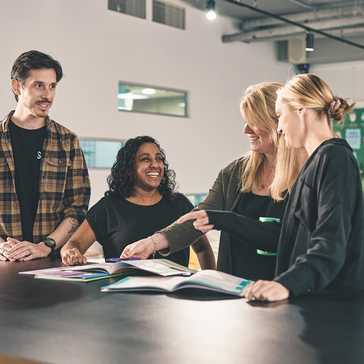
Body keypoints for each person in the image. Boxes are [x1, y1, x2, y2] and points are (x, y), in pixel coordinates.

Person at [121, 82, 300, 281]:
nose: (246, 130)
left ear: (279, 122)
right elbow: (200, 218)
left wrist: (225, 220)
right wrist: (152, 243)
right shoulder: (235, 173)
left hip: (284, 291)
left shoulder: (307, 174)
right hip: (234, 292)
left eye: (253, 121)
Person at [244, 73, 364, 302]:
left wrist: (286, 284)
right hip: (309, 306)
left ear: (301, 109)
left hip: (333, 313)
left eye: (280, 116)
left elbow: (331, 243)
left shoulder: (335, 158)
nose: (278, 127)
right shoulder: (316, 161)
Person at [61, 136, 215, 269]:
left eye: (159, 158)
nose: (155, 164)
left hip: (175, 298)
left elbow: (202, 249)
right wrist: (70, 252)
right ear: (129, 168)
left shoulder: (180, 204)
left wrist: (211, 283)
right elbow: (74, 244)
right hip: (123, 299)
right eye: (145, 159)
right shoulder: (108, 207)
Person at [0, 50, 90, 262]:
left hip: (50, 262)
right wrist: (2, 246)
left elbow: (77, 209)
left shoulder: (68, 141)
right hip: (3, 260)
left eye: (52, 86)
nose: (47, 95)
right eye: (38, 85)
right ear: (16, 86)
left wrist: (45, 246)